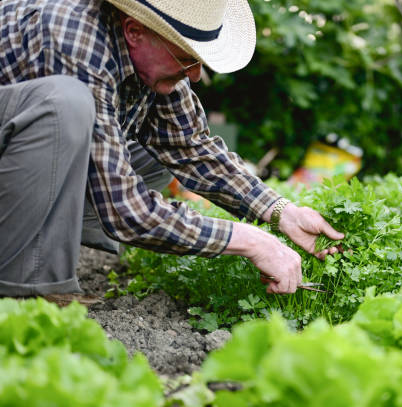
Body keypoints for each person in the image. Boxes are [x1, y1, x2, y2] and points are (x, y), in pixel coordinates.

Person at [0, 0, 344, 299]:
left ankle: (52, 235)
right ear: (135, 31)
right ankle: (28, 286)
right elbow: (126, 212)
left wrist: (281, 211)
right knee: (67, 106)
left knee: (156, 157)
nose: (194, 75)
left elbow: (193, 149)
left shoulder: (148, 58)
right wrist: (250, 240)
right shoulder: (74, 37)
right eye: (185, 57)